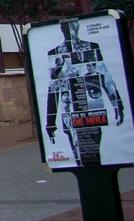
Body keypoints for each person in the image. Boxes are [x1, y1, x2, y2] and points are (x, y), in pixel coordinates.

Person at [45, 18, 125, 166]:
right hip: (69, 110)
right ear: (62, 30)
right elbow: (54, 89)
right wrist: (50, 122)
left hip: (90, 108)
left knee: (92, 153)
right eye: (66, 28)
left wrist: (117, 104)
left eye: (73, 28)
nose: (71, 31)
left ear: (77, 28)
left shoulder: (91, 47)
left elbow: (105, 77)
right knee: (78, 155)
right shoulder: (55, 53)